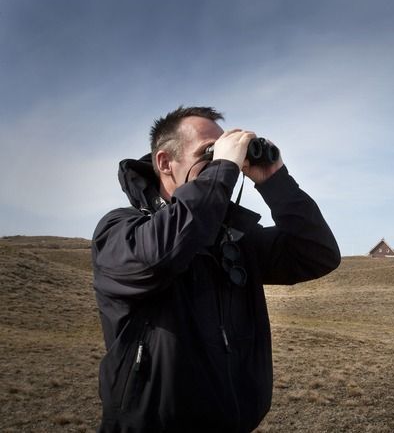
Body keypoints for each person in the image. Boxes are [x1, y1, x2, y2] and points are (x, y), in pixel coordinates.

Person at [91, 106, 340, 432]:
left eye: (223, 150)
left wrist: (275, 181)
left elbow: (317, 253)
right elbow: (163, 253)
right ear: (165, 163)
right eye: (208, 152)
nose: (225, 162)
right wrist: (222, 166)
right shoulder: (120, 231)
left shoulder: (234, 240)